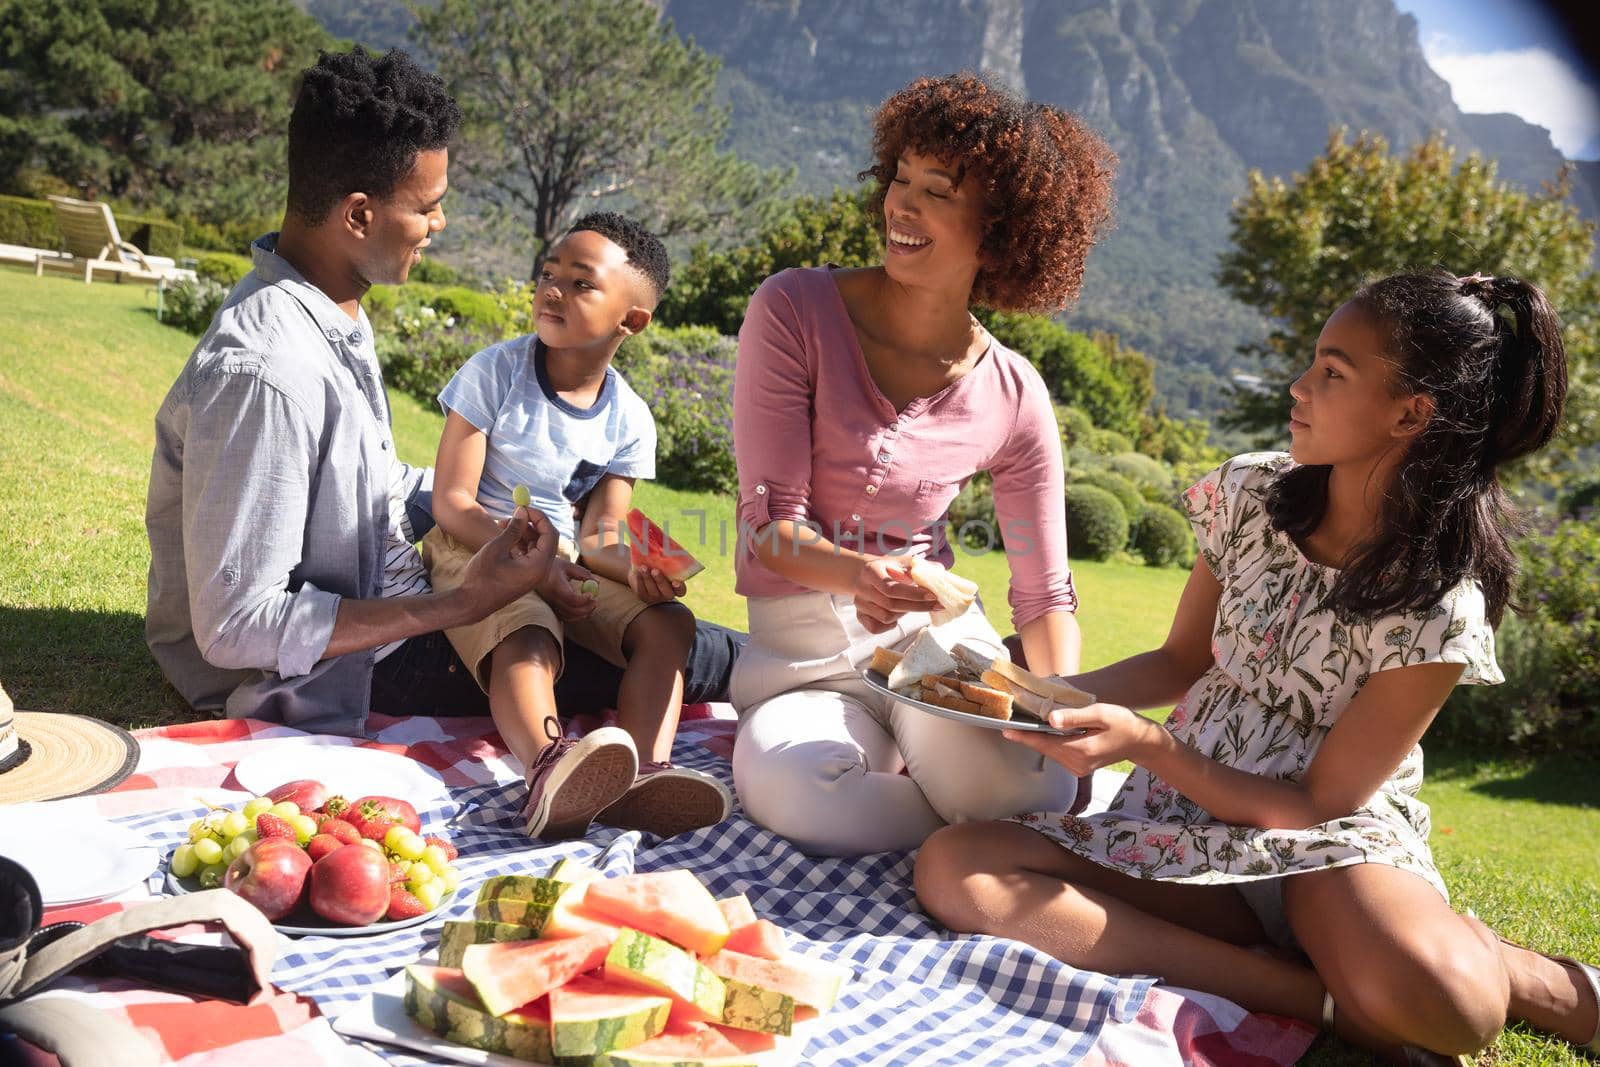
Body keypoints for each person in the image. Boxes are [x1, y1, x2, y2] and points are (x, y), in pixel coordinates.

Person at [913, 270, 1599, 1063]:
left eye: (1334, 373)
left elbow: (1315, 805)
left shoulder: (1441, 605)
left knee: (1455, 1008)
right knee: (958, 864)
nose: (1300, 386)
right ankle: (1308, 995)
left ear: (1412, 413)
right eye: (1314, 361)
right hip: (1186, 822)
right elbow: (1179, 660)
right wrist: (1018, 694)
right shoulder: (1250, 493)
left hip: (1326, 850)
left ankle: (1516, 970)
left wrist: (1144, 743)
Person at [145, 47, 743, 776]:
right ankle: (580, 770)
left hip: (408, 582)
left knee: (667, 629)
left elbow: (372, 478)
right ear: (360, 215)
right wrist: (459, 605)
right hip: (376, 658)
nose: (441, 222)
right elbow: (236, 626)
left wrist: (507, 506)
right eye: (426, 207)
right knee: (709, 652)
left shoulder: (331, 307)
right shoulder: (267, 372)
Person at [728, 73, 1117, 856]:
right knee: (802, 792)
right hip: (800, 660)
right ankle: (980, 831)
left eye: (936, 191)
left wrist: (1054, 709)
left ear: (1002, 231)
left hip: (929, 648)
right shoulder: (794, 309)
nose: (900, 206)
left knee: (1025, 783)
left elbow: (1043, 594)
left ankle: (992, 810)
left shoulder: (1015, 393)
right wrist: (859, 576)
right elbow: (770, 529)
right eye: (899, 179)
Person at [423, 211, 732, 840]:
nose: (553, 289)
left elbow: (601, 535)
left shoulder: (631, 418)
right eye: (549, 273)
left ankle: (641, 775)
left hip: (563, 559)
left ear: (632, 321)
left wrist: (637, 568)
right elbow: (451, 501)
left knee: (670, 623)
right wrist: (534, 568)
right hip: (478, 542)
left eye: (581, 282)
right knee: (528, 627)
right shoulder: (496, 373)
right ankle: (548, 770)